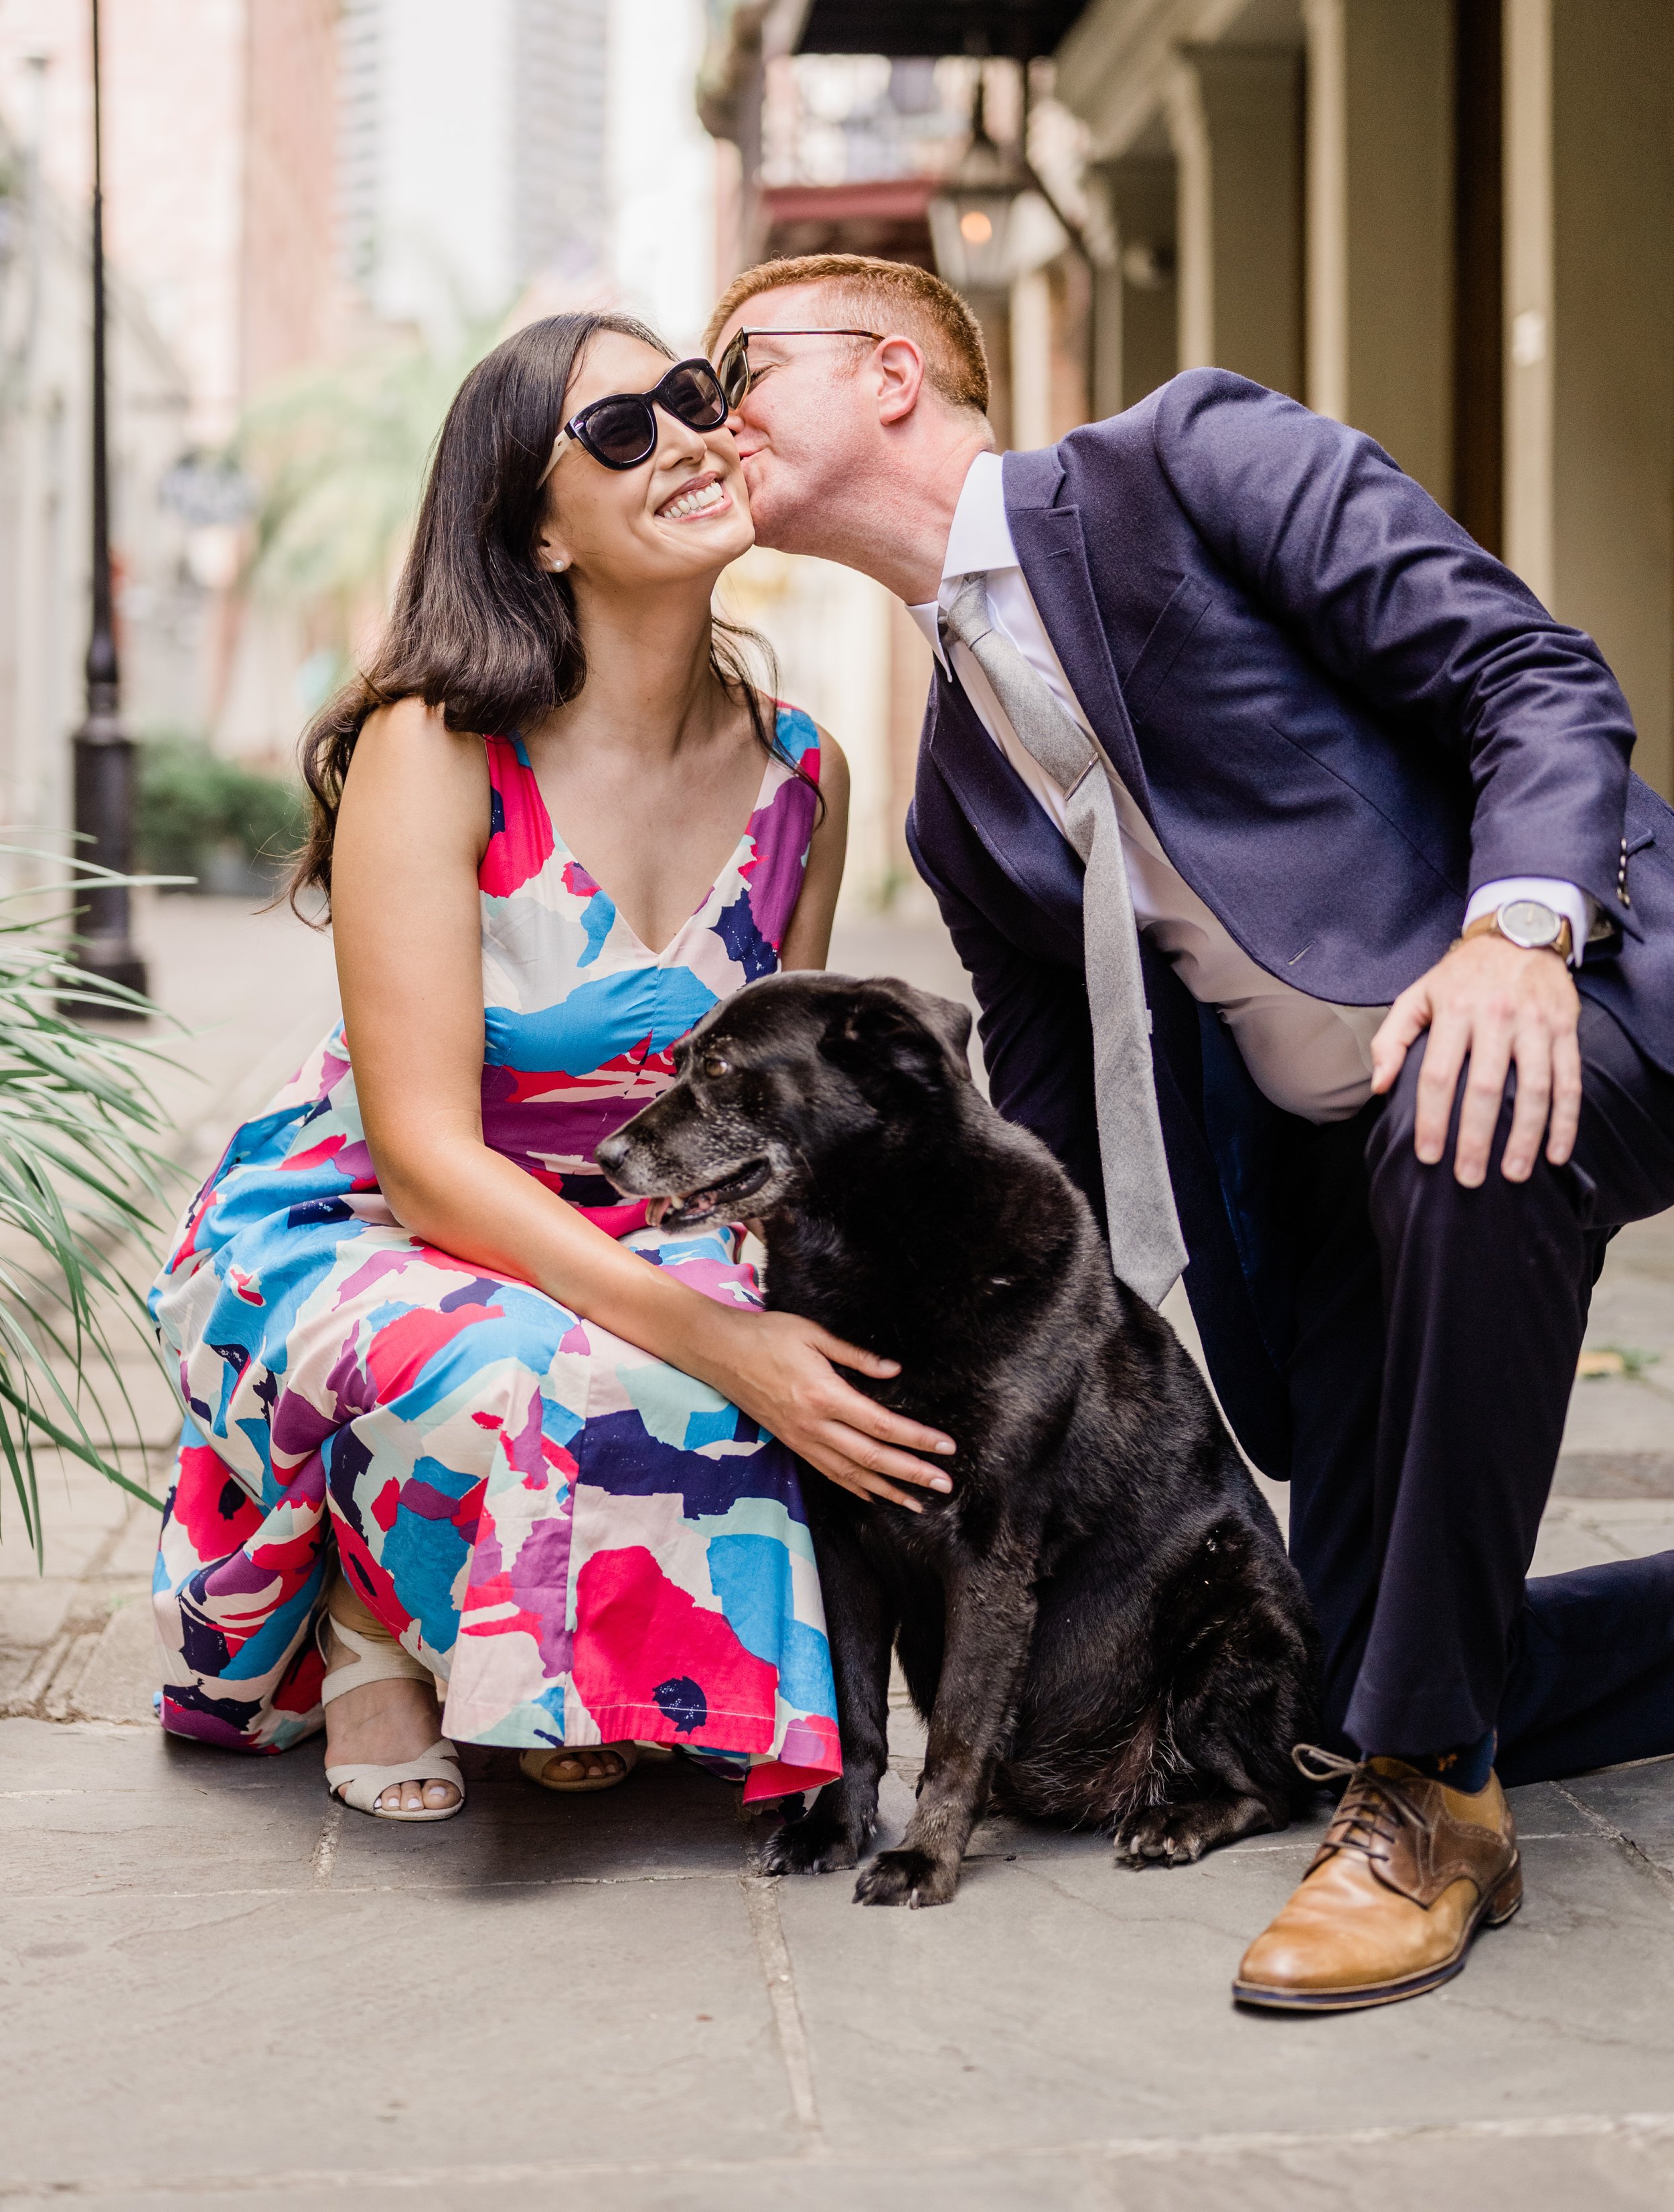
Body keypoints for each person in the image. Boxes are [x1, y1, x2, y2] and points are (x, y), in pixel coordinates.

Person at [704, 252, 1674, 2012]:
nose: (714, 415)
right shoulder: (951, 788)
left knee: (1455, 1137)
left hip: (1582, 999)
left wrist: (1511, 934)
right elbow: (1044, 1140)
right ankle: (1430, 1726)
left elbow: (1531, 676)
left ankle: (1432, 1822)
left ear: (897, 375)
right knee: (1344, 1668)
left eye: (739, 368)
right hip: (1333, 1175)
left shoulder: (1190, 461)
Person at [150, 311, 957, 1824]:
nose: (688, 436)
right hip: (390, 1216)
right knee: (564, 1369)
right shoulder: (435, 746)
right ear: (537, 527)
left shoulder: (806, 774)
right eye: (621, 430)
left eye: (694, 397)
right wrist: (716, 1342)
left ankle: (567, 1659)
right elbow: (422, 1162)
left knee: (824, 1387)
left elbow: (775, 1122)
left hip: (655, 1217)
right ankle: (367, 1609)